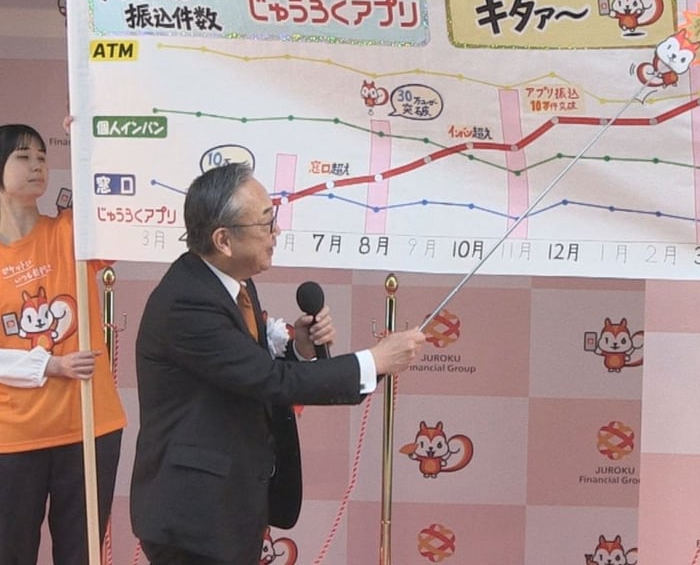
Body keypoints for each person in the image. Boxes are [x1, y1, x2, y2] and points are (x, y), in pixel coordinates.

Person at [130, 161, 426, 565]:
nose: (277, 233)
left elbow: (242, 369)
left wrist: (298, 348)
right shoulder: (187, 301)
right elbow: (269, 380)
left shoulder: (230, 282)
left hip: (227, 506)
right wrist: (374, 361)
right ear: (224, 240)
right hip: (194, 517)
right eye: (266, 222)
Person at [0, 123, 126, 565]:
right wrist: (49, 366)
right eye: (23, 156)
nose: (37, 165)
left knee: (81, 555)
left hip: (89, 425)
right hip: (14, 436)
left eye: (41, 156)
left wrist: (94, 134)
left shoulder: (72, 232)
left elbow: (116, 194)